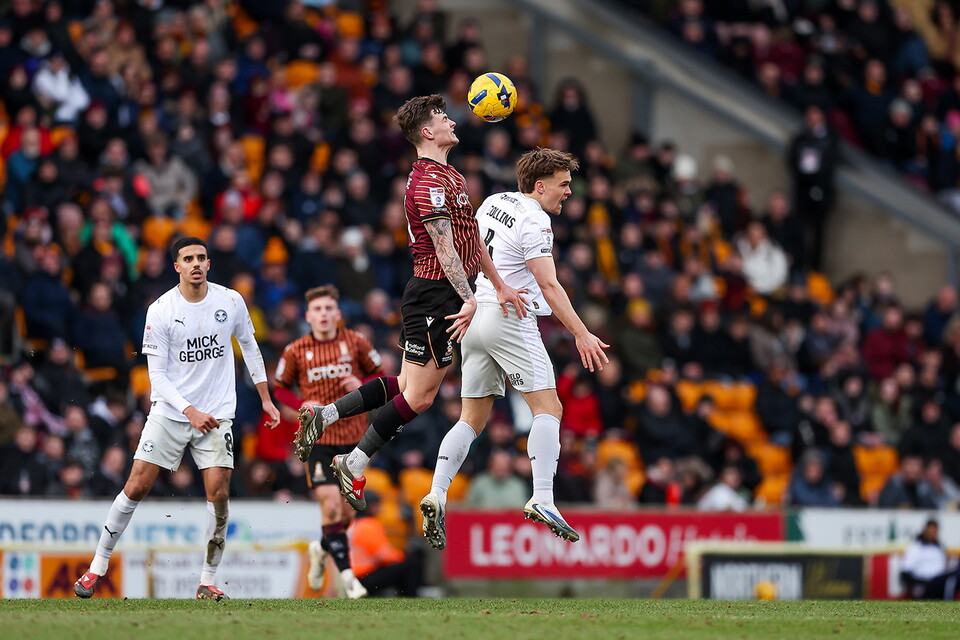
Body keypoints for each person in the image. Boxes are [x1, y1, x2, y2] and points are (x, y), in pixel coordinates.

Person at [293, 94, 525, 510]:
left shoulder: (451, 176)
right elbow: (444, 248)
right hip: (436, 294)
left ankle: (327, 418)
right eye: (442, 118)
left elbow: (469, 240)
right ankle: (353, 460)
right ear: (426, 132)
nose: (452, 122)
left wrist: (499, 284)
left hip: (444, 292)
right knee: (419, 398)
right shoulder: (427, 182)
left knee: (406, 388)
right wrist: (469, 297)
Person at [419, 147, 609, 549]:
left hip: (476, 311)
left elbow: (471, 249)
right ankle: (543, 497)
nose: (569, 192)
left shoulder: (493, 201)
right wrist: (581, 332)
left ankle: (437, 492)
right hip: (510, 315)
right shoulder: (535, 219)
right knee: (549, 408)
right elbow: (549, 284)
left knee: (471, 420)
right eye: (564, 184)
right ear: (540, 186)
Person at [74, 236, 280, 600]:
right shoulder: (161, 309)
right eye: (189, 258)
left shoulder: (230, 301)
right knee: (136, 486)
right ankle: (97, 567)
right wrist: (189, 411)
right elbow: (157, 378)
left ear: (209, 263)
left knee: (218, 495)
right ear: (177, 267)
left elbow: (249, 345)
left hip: (217, 415)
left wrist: (265, 397)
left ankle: (207, 580)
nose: (196, 263)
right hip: (171, 412)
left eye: (202, 257)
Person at [273, 285, 384, 599]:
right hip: (318, 442)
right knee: (331, 506)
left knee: (346, 515)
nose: (323, 314)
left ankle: (320, 549)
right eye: (317, 310)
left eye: (328, 309)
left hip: (354, 442)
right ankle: (349, 579)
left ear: (338, 314)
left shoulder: (357, 342)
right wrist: (300, 405)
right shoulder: (296, 350)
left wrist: (361, 384)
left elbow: (384, 377)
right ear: (308, 316)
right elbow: (279, 388)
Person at [901, 519, 960, 600]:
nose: (932, 534)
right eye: (930, 531)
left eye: (934, 531)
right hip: (925, 583)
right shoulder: (916, 547)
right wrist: (919, 584)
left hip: (939, 581)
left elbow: (942, 567)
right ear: (925, 530)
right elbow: (905, 572)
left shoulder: (939, 547)